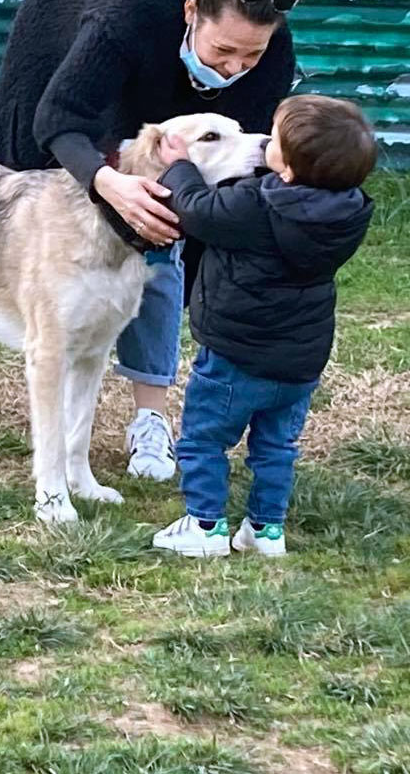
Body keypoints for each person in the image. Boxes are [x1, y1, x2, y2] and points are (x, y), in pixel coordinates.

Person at [0, 0, 300, 481]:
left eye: (249, 58)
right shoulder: (126, 14)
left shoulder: (267, 53)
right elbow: (56, 120)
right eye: (224, 50)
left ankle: (149, 418)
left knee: (165, 240)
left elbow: (237, 185)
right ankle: (46, 331)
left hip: (189, 115)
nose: (235, 67)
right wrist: (107, 183)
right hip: (70, 28)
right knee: (50, 212)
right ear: (190, 13)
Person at [152, 95, 376, 557]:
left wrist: (178, 166)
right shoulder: (349, 211)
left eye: (276, 140)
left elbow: (195, 209)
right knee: (276, 447)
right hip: (300, 363)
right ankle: (266, 530)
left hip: (235, 355)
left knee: (203, 440)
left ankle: (206, 526)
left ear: (288, 171)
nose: (264, 141)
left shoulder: (255, 205)